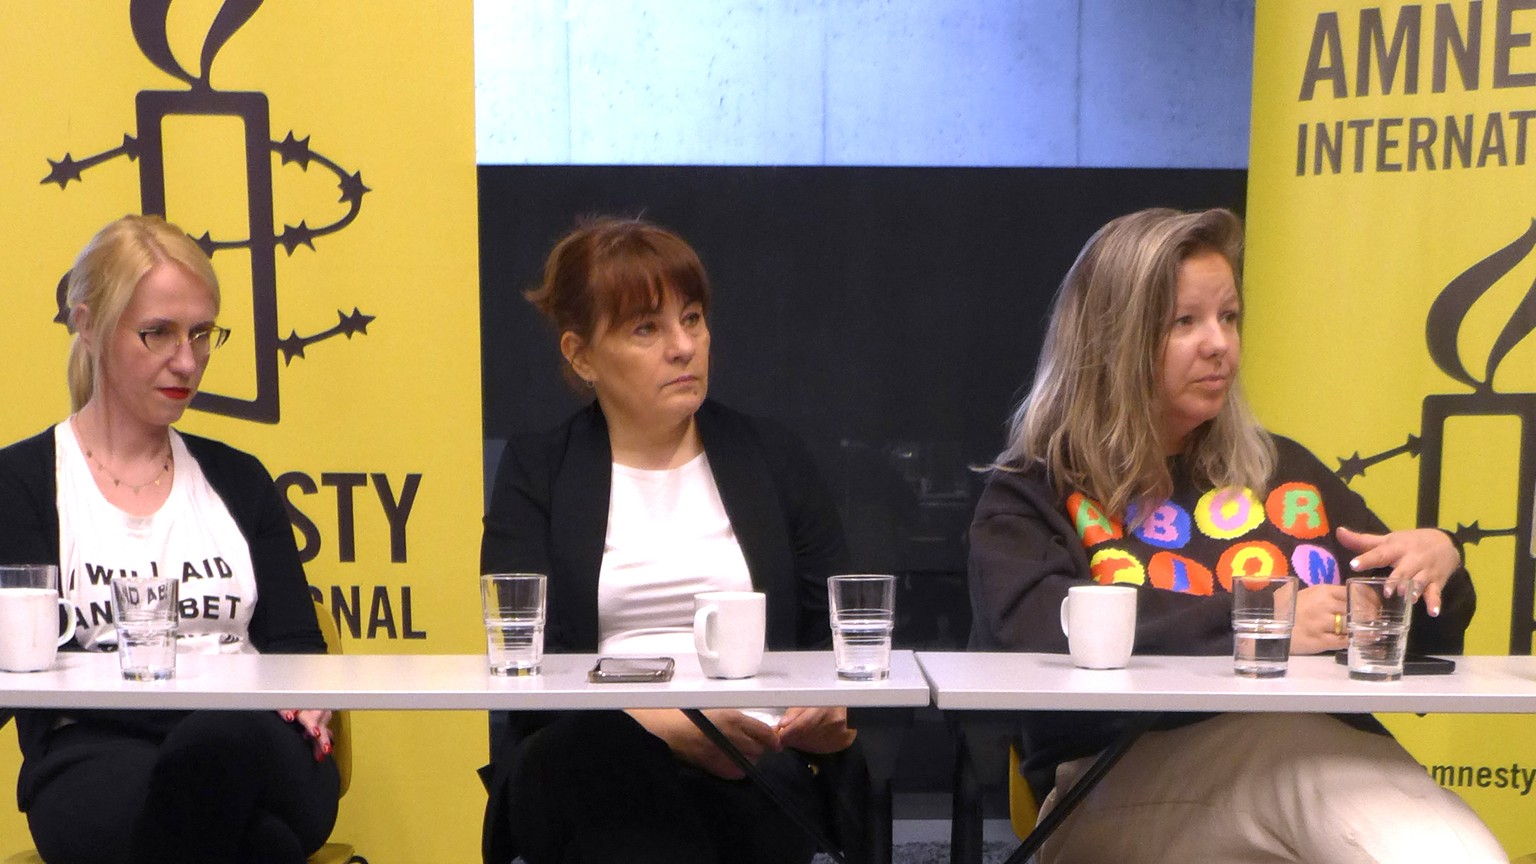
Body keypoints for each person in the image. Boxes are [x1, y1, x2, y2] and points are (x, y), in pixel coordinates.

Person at [968, 207, 1506, 863]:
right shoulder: (1035, 490)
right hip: (1114, 779)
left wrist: (1435, 570)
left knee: (1374, 801)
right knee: (1355, 799)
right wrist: (1261, 622)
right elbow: (1025, 635)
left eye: (1229, 317)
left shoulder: (1282, 473)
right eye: (1184, 322)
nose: (1219, 343)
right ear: (1111, 338)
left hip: (1314, 756)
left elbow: (1399, 627)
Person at [479, 216, 857, 864]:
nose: (684, 347)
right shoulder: (537, 470)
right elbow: (528, 654)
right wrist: (670, 727)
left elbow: (838, 630)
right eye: (646, 328)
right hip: (589, 749)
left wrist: (825, 705)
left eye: (693, 318)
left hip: (753, 754)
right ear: (581, 355)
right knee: (607, 766)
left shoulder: (773, 459)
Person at [0, 215, 340, 864]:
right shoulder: (19, 485)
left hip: (252, 740)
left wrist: (309, 695)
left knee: (215, 745)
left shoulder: (238, 480)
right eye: (157, 334)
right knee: (254, 841)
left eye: (202, 334)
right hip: (94, 753)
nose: (187, 361)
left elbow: (298, 645)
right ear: (87, 325)